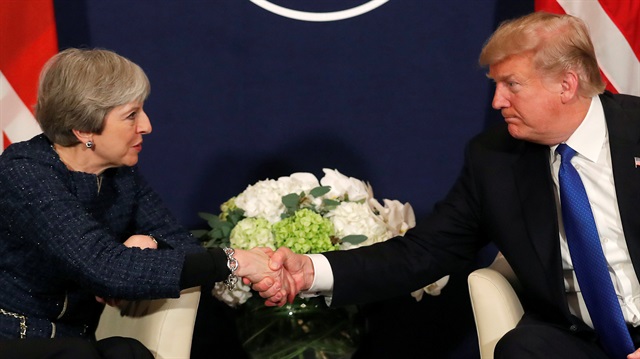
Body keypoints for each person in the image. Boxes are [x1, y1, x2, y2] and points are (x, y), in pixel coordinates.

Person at [255, 12, 640, 359]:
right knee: (521, 348)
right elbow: (424, 252)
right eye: (495, 84)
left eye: (512, 84)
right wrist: (310, 271)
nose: (497, 101)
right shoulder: (495, 160)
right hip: (583, 340)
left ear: (567, 85)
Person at [0, 48, 290, 358]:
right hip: (14, 339)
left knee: (130, 352)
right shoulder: (23, 172)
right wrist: (235, 260)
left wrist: (147, 242)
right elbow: (104, 268)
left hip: (75, 341)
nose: (147, 125)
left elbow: (183, 247)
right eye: (131, 115)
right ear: (84, 129)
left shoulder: (121, 175)